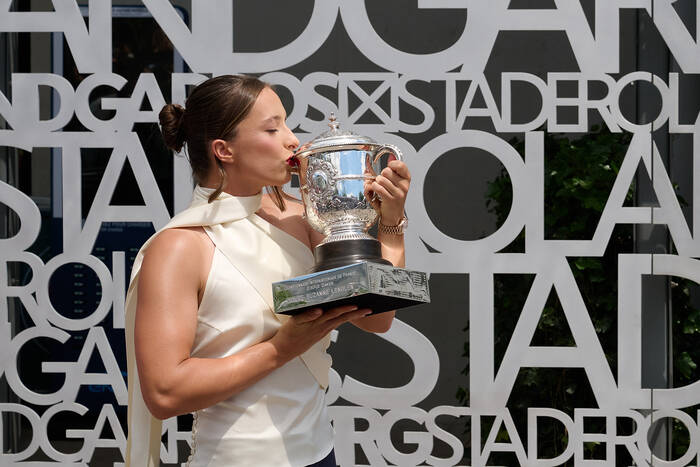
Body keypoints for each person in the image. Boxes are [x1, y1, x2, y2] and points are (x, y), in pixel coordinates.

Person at [123, 75, 411, 467]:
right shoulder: (179, 247)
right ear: (224, 150)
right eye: (273, 128)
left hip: (319, 454)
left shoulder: (301, 217)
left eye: (287, 124)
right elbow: (164, 393)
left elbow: (378, 319)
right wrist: (281, 348)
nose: (293, 140)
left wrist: (391, 225)